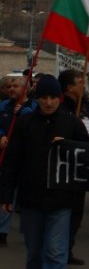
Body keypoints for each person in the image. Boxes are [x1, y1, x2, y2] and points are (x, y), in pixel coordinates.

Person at [0, 74, 89, 268]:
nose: (49, 103)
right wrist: (6, 195)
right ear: (37, 98)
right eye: (44, 98)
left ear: (60, 98)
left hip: (61, 200)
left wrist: (69, 145)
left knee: (56, 251)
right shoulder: (24, 123)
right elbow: (12, 161)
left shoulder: (72, 123)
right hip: (31, 199)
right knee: (34, 252)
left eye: (53, 98)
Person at [58, 69, 89, 265]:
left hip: (80, 167)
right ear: (69, 87)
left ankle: (67, 250)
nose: (83, 86)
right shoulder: (59, 109)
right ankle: (57, 250)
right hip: (64, 169)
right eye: (79, 82)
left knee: (77, 212)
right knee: (62, 213)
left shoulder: (85, 107)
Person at [0, 76, 36, 246]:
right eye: (9, 86)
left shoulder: (34, 107)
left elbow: (38, 125)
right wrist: (0, 135)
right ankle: (2, 231)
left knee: (28, 198)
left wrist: (24, 112)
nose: (12, 89)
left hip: (29, 159)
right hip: (9, 158)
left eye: (16, 86)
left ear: (25, 89)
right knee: (7, 195)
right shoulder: (3, 106)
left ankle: (30, 232)